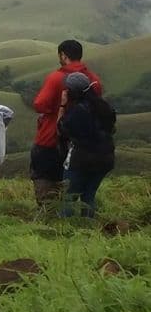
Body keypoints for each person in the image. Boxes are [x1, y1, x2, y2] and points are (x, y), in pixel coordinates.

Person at [31, 40, 103, 207]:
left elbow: (40, 104)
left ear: (63, 55)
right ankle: (74, 218)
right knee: (75, 188)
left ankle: (50, 217)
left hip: (51, 138)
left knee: (45, 180)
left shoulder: (56, 77)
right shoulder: (93, 79)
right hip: (82, 143)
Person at [59, 72, 116, 218]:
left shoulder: (78, 111)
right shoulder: (103, 106)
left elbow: (61, 129)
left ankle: (65, 231)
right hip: (105, 159)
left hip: (82, 159)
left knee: (68, 198)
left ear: (72, 92)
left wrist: (63, 105)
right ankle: (88, 229)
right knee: (88, 196)